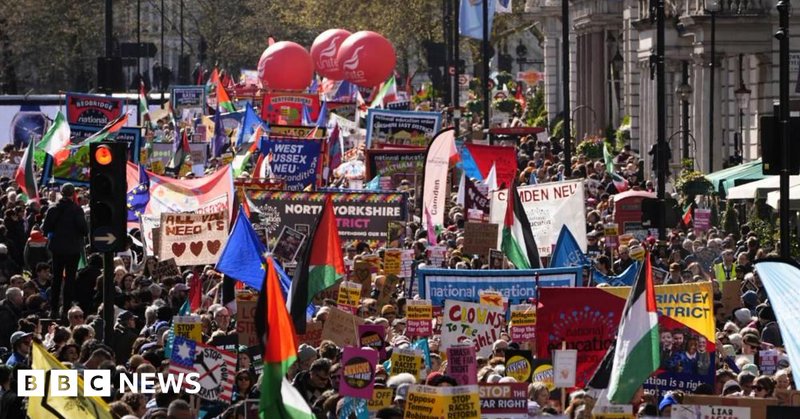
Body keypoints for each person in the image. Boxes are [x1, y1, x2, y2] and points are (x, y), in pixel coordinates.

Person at [41, 183, 88, 319]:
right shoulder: (77, 210)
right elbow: (84, 230)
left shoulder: (53, 209)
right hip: (73, 249)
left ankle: (54, 309)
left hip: (57, 248)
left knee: (56, 279)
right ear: (73, 193)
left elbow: (46, 228)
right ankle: (66, 309)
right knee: (69, 279)